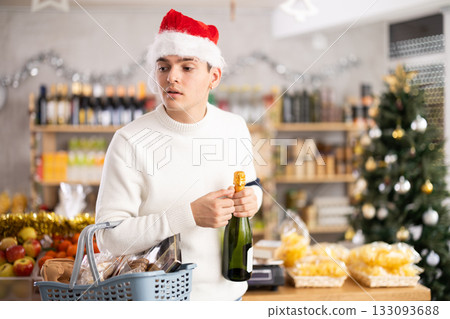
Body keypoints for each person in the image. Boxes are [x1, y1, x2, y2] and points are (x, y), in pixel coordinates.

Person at [95, 9, 263, 301]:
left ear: (214, 77)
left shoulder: (233, 126)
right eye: (163, 67)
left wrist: (253, 200)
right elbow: (108, 238)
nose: (171, 77)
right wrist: (187, 215)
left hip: (231, 297)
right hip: (160, 302)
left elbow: (250, 186)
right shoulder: (129, 141)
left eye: (187, 67)